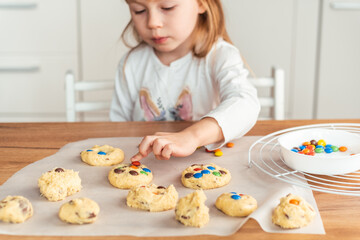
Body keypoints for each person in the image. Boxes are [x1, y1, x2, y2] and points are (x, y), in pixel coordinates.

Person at [110, 0, 260, 162]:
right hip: (148, 163)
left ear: (202, 4)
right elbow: (118, 129)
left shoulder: (220, 55)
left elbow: (245, 103)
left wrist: (192, 136)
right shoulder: (130, 63)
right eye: (139, 10)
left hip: (206, 161)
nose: (153, 23)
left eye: (168, 7)